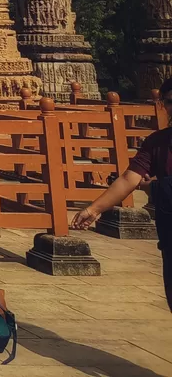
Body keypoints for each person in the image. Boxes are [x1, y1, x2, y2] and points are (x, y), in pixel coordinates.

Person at [72, 76, 172, 311]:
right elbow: (129, 178)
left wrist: (154, 188)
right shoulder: (158, 142)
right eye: (169, 102)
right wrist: (94, 208)